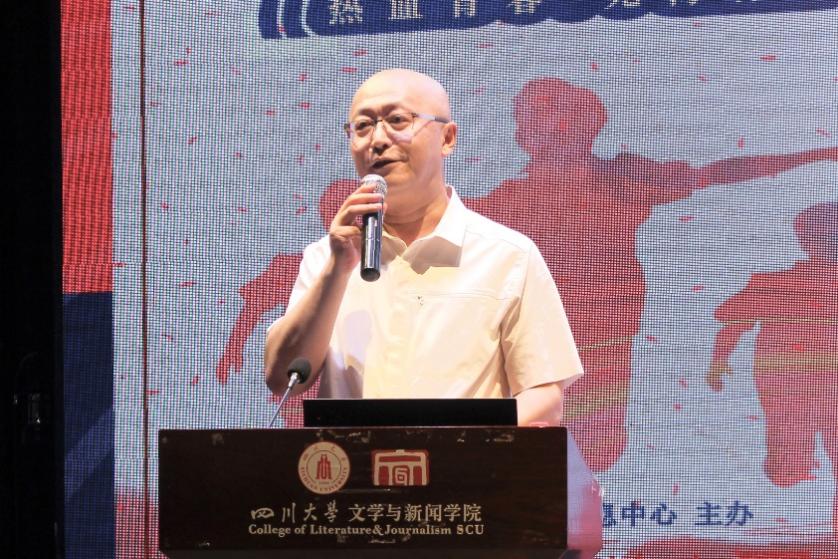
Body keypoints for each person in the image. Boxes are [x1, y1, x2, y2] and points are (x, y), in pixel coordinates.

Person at [264, 69, 584, 425]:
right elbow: (282, 377)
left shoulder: (508, 256)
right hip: (350, 461)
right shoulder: (327, 258)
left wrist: (460, 449)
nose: (377, 140)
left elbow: (544, 395)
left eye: (397, 120)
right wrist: (337, 269)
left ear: (447, 138)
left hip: (466, 461)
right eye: (363, 126)